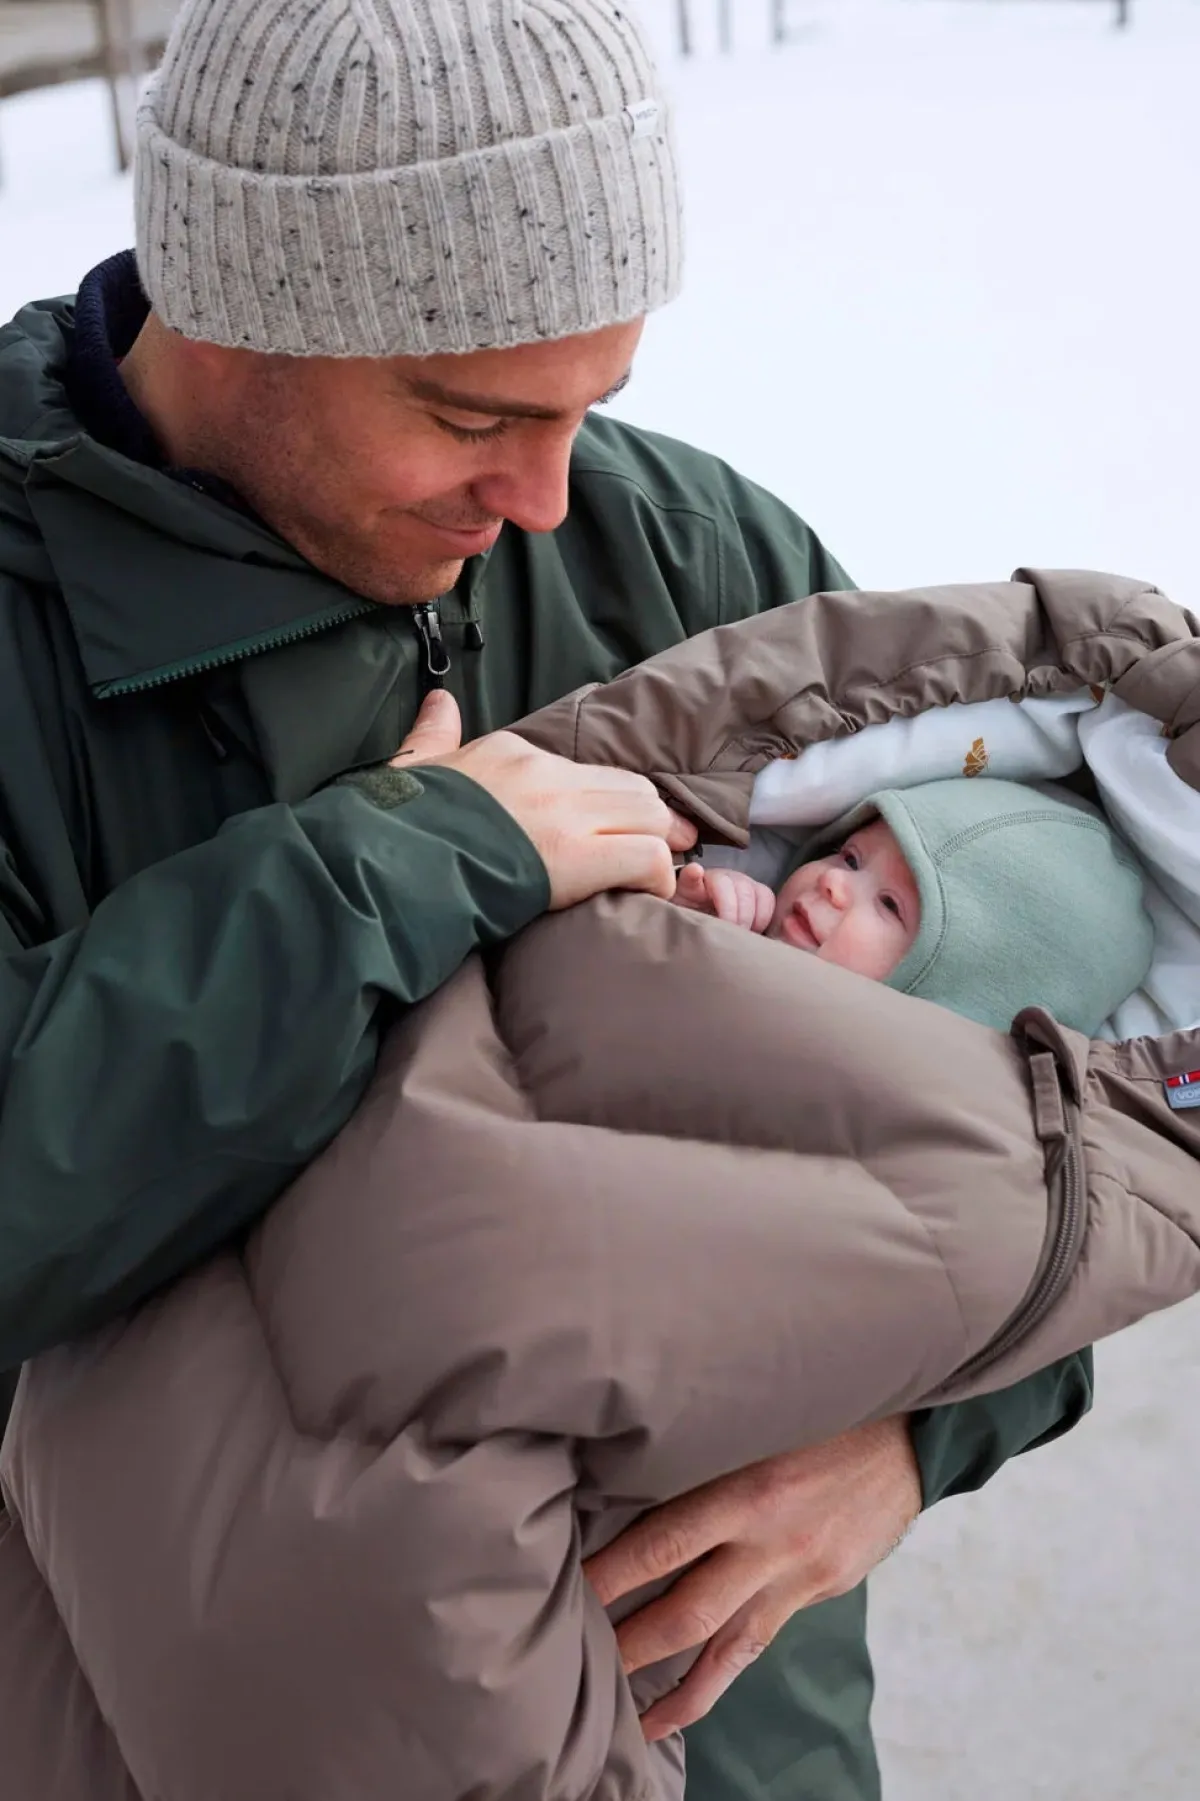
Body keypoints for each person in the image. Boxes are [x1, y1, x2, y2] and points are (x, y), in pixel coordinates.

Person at [0, 2, 1095, 1796]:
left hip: (744, 1743)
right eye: (472, 414)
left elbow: (1087, 1075)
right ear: (240, 307)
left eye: (594, 405)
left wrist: (925, 1424)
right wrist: (391, 866)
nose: (547, 493)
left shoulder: (692, 561)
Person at [673, 777, 1154, 1032]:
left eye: (889, 905)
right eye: (850, 857)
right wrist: (680, 919)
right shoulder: (733, 925)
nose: (835, 884)